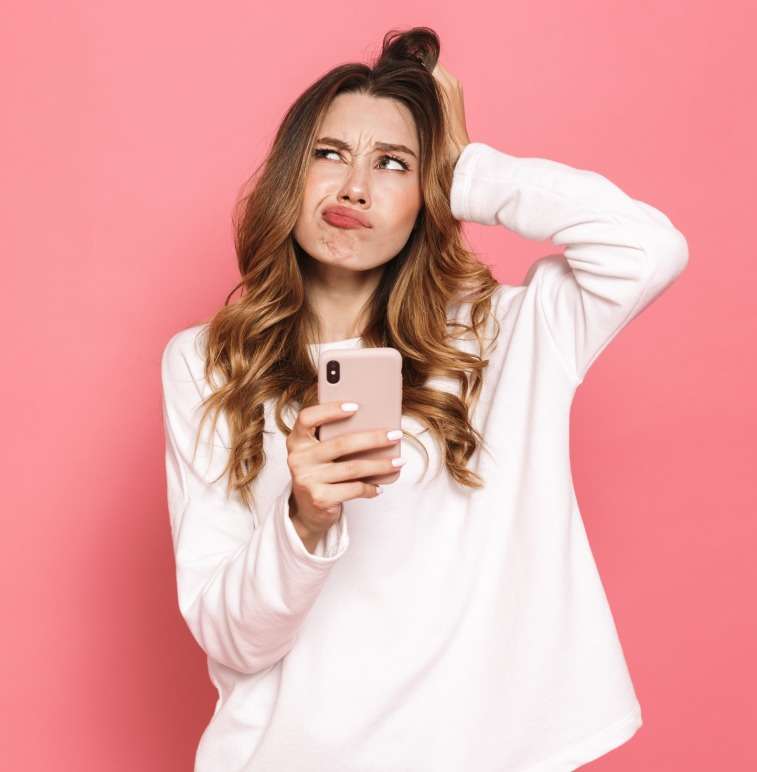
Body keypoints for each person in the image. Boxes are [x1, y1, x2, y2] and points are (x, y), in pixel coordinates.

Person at [161, 26, 689, 772]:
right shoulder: (207, 362)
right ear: (291, 174)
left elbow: (647, 249)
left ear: (428, 191)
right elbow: (232, 637)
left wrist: (467, 165)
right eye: (329, 154)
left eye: (393, 163)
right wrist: (305, 519)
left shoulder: (507, 335)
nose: (354, 187)